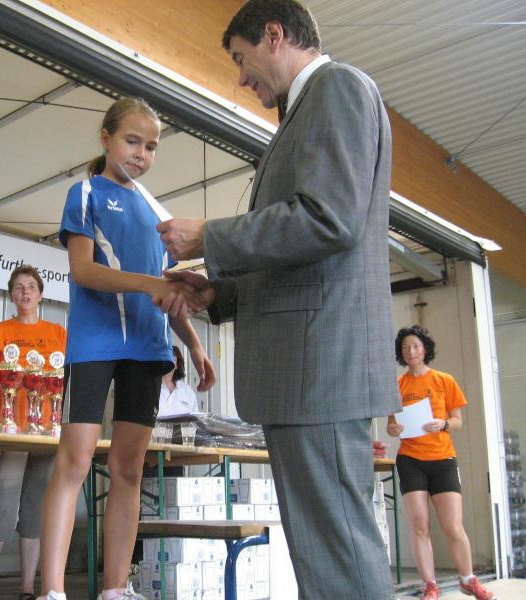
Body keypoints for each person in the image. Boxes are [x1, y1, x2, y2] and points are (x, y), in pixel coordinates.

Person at [156, 1, 399, 597]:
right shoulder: (306, 110)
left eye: (241, 60)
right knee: (325, 552)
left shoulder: (337, 88)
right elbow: (304, 251)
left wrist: (211, 236)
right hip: (306, 370)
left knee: (337, 552)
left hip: (320, 368)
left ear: (274, 34)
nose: (242, 78)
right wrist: (221, 292)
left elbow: (328, 219)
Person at [37, 97, 216, 600]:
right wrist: (146, 284)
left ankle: (116, 589)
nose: (141, 154)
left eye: (151, 146)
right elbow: (83, 270)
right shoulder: (85, 193)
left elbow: (167, 289)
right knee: (74, 461)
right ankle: (52, 591)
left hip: (147, 348)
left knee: (129, 468)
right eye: (132, 141)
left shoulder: (157, 212)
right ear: (107, 138)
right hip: (94, 345)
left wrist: (194, 345)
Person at [0, 265, 67, 600]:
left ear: (40, 295)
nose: (25, 292)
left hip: (48, 435)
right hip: (9, 432)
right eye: (18, 287)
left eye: (31, 287)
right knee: (2, 506)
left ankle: (28, 588)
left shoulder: (59, 334)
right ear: (11, 295)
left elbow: (69, 384)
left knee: (35, 511)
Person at [387, 326, 496, 600]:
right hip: (410, 459)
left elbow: (457, 420)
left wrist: (443, 423)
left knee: (453, 526)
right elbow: (391, 425)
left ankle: (468, 580)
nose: (411, 351)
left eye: (415, 346)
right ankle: (430, 585)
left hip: (443, 459)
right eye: (405, 347)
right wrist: (393, 429)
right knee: (419, 525)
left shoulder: (444, 380)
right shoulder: (397, 386)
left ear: (425, 349)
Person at [157, 345, 198, 417]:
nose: (168, 362)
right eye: (164, 358)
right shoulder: (150, 388)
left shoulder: (187, 391)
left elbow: (196, 419)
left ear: (177, 365)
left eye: (172, 359)